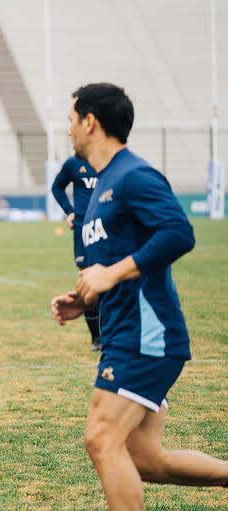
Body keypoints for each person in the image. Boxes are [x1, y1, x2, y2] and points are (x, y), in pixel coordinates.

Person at [51, 83, 228, 510]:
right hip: (124, 330)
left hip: (146, 334)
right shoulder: (103, 185)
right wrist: (86, 300)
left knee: (101, 438)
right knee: (145, 460)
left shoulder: (134, 175)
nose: (68, 130)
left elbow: (178, 233)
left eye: (71, 120)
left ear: (90, 122)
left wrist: (110, 274)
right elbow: (119, 262)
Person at [51, 154, 101, 351]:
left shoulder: (108, 159)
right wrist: (69, 211)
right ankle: (96, 338)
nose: (71, 137)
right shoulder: (73, 164)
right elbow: (57, 187)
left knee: (109, 282)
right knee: (87, 284)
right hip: (82, 230)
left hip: (106, 228)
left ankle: (112, 334)